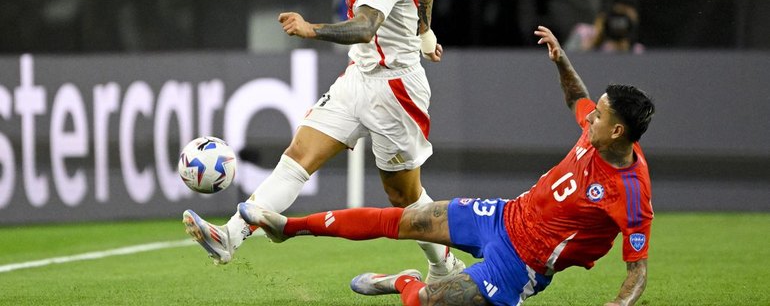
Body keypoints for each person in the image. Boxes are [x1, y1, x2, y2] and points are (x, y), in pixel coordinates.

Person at [238, 25, 655, 306]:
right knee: (402, 218)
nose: (590, 118)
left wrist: (618, 304)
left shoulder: (631, 192)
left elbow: (637, 273)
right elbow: (575, 98)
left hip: (519, 266)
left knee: (423, 300)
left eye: (599, 117)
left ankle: (400, 280)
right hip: (504, 216)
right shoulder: (594, 129)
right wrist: (561, 59)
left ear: (618, 131)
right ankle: (287, 228)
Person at [183, 0, 466, 282]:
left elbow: (366, 27)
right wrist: (424, 30)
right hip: (358, 78)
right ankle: (230, 236)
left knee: (405, 197)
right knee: (299, 153)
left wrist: (311, 29)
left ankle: (444, 265)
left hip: (396, 90)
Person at [565, 0, 644, 53]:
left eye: (625, 19)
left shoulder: (637, 49)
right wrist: (594, 42)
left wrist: (626, 50)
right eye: (617, 16)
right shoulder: (582, 32)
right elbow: (564, 61)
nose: (619, 23)